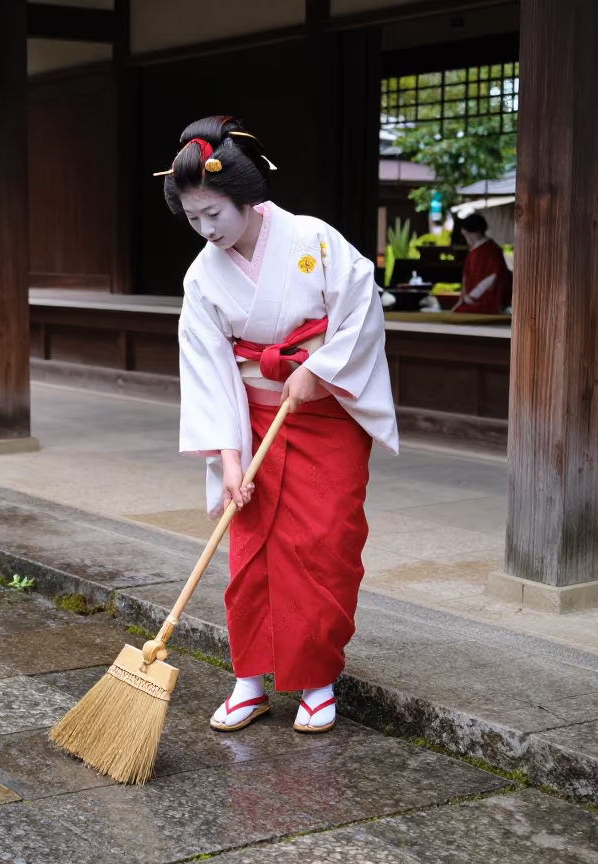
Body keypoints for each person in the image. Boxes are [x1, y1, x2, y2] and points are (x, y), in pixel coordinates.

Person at [165, 116, 398, 735]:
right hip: (252, 418)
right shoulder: (201, 277)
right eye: (193, 218)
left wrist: (320, 369)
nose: (206, 230)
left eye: (214, 212)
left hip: (326, 417)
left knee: (324, 548)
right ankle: (250, 679)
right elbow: (209, 371)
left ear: (245, 195)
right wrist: (233, 462)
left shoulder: (314, 240)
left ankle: (316, 681)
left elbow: (361, 310)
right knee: (251, 554)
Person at [453, 213, 512, 314]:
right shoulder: (476, 250)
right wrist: (463, 299)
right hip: (473, 299)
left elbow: (494, 276)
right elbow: (467, 277)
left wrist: (472, 296)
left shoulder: (490, 250)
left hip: (487, 301)